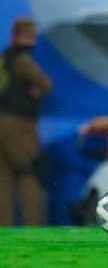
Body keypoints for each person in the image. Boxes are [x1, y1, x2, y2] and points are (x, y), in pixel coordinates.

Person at [0, 18, 52, 226]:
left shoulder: (3, 58)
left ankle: (3, 231)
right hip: (18, 124)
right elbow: (45, 83)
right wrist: (35, 90)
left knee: (4, 177)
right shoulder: (21, 59)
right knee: (30, 172)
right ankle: (34, 226)